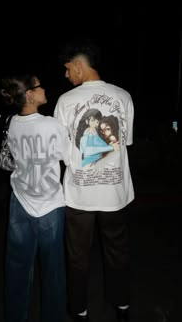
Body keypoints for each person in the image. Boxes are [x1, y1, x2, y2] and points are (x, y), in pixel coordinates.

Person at [54, 38, 135, 322]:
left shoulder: (65, 101)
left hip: (79, 195)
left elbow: (62, 151)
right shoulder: (124, 96)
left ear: (78, 66)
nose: (66, 75)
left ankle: (80, 312)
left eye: (67, 69)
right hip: (115, 193)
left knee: (77, 256)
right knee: (118, 252)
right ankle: (122, 308)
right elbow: (126, 143)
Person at [0, 74, 71, 322]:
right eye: (39, 85)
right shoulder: (51, 125)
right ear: (30, 94)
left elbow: (10, 162)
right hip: (49, 205)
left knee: (17, 268)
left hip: (20, 201)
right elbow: (70, 158)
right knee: (53, 271)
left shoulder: (12, 123)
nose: (44, 89)